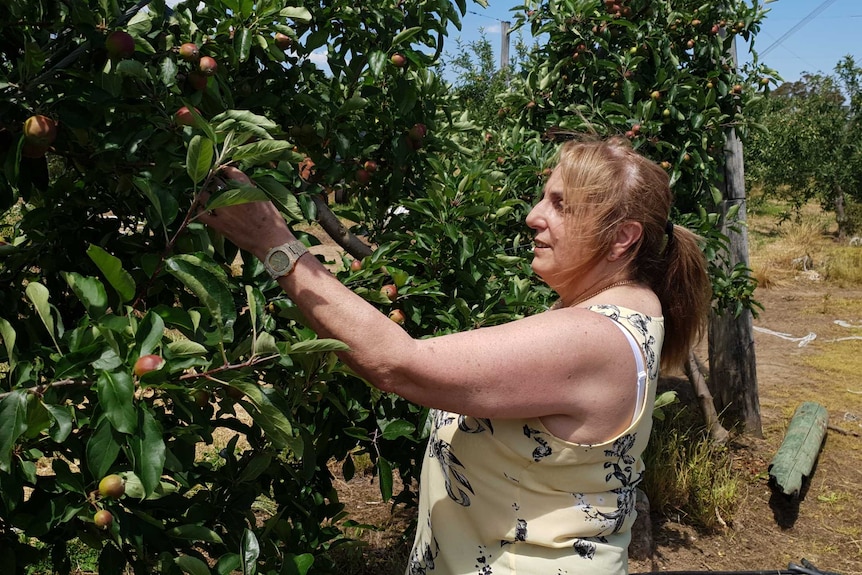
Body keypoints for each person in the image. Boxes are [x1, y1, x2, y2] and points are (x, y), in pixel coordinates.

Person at [198, 135, 712, 575]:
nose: (534, 217)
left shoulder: (592, 337)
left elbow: (398, 363)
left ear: (622, 238)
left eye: (561, 205)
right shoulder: (626, 313)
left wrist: (274, 242)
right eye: (542, 198)